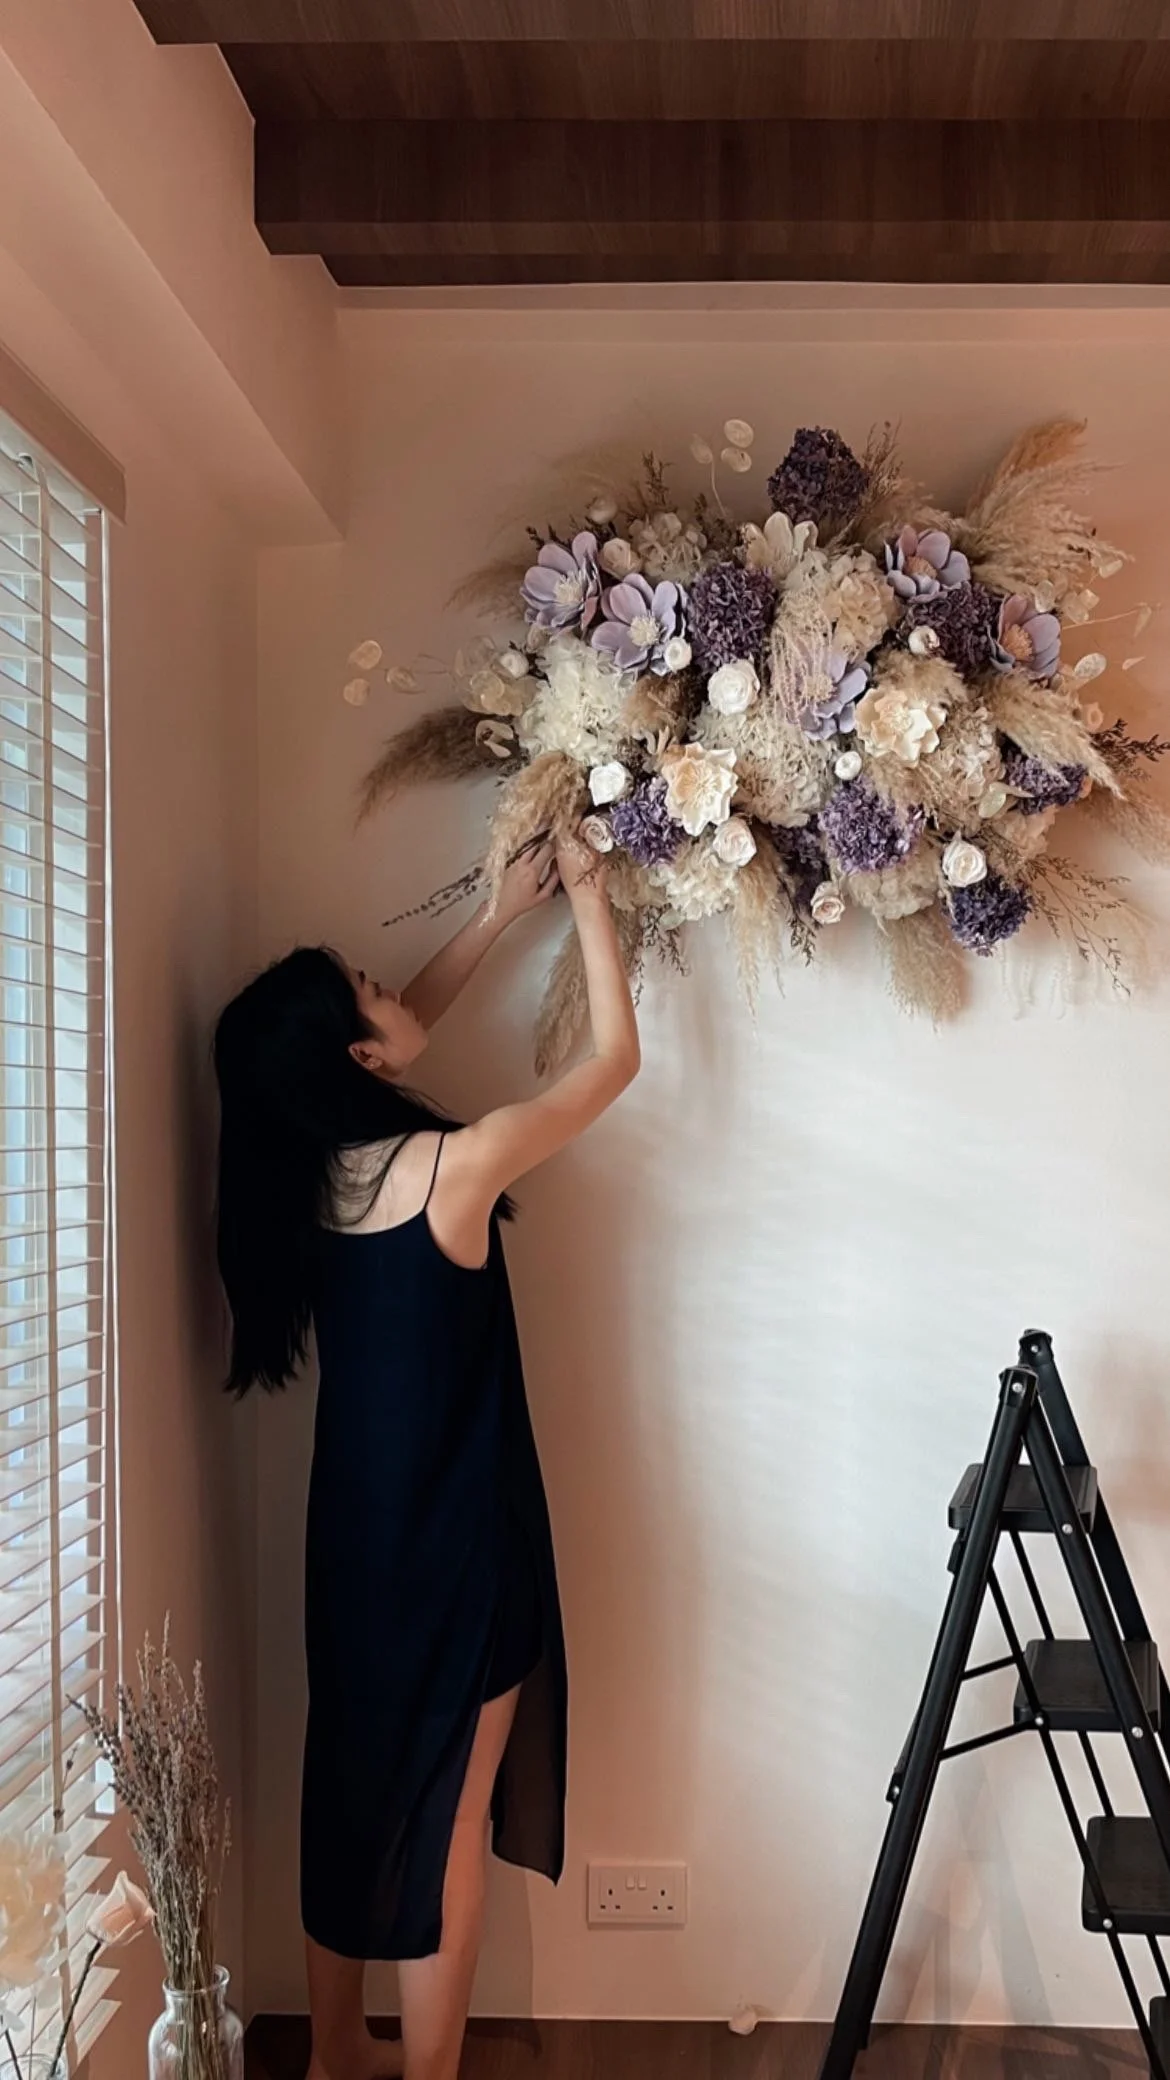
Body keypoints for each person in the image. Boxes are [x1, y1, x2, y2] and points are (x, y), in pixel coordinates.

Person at [213, 834, 640, 2080]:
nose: (392, 986)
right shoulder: (454, 1171)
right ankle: (428, 2073)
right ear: (355, 1057)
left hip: (353, 1539)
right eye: (368, 986)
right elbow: (616, 1061)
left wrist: (502, 912)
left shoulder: (304, 1182)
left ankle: (337, 2048)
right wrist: (594, 904)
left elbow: (391, 1042)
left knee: (351, 1785)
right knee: (449, 1816)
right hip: (460, 1545)